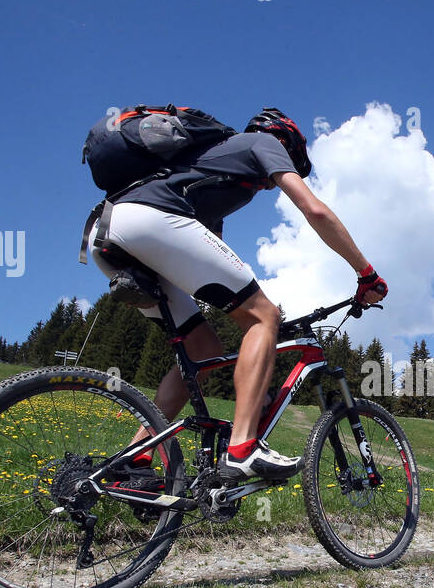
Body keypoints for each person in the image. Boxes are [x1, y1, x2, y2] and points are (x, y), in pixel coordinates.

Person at [86, 108, 388, 483]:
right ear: (285, 142)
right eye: (292, 161)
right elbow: (315, 210)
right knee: (263, 316)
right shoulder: (263, 142)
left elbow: (208, 267)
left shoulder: (205, 173)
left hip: (107, 233)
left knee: (205, 351)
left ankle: (136, 457)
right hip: (150, 220)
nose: (273, 183)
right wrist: (366, 273)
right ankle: (243, 449)